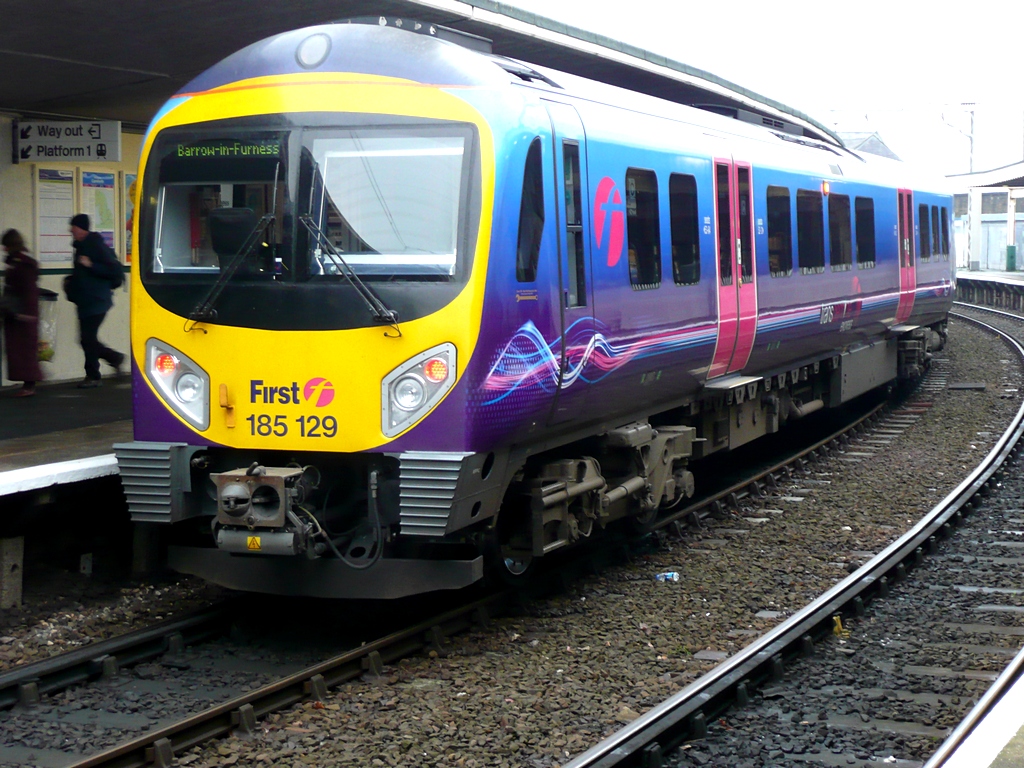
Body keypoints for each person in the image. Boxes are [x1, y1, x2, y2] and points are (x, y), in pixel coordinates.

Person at [66, 213, 124, 388]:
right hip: (86, 301)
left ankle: (96, 373)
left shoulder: (95, 245)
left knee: (87, 339)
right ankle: (107, 363)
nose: (71, 230)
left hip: (96, 301)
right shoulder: (81, 247)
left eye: (74, 227)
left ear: (82, 228)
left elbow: (114, 271)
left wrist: (91, 265)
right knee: (86, 339)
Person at [2, 229, 42, 397]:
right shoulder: (18, 262)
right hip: (16, 312)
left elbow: (27, 291)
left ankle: (30, 385)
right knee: (20, 350)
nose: (3, 249)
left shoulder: (21, 264)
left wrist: (25, 313)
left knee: (24, 350)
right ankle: (29, 383)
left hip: (22, 313)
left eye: (5, 246)